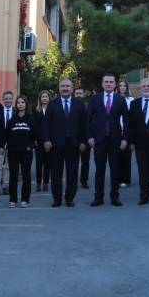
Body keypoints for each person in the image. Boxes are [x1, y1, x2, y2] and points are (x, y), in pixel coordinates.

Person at [43, 78, 88, 207]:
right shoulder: (52, 104)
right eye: (62, 86)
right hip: (56, 145)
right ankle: (57, 199)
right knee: (56, 173)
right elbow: (46, 125)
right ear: (59, 88)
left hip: (74, 145)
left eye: (67, 86)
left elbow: (84, 125)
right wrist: (46, 140)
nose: (65, 88)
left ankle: (69, 198)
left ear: (72, 88)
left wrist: (83, 141)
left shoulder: (79, 104)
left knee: (72, 174)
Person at [86, 73, 130, 206]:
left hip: (116, 140)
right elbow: (88, 120)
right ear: (102, 84)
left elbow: (127, 121)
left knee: (115, 170)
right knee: (99, 170)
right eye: (106, 82)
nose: (109, 84)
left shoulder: (120, 99)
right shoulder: (95, 99)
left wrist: (125, 139)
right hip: (99, 140)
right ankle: (98, 197)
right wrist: (89, 137)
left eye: (111, 82)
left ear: (115, 84)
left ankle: (115, 196)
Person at [6, 95, 36, 207]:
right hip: (13, 152)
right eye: (18, 102)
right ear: (16, 105)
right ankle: (12, 199)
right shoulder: (11, 120)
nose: (20, 104)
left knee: (26, 175)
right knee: (13, 175)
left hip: (27, 152)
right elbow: (7, 135)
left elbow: (34, 136)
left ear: (26, 104)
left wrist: (30, 146)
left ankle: (25, 199)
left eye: (23, 102)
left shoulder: (31, 120)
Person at [116, 79, 134, 188]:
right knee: (117, 156)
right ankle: (118, 178)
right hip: (116, 130)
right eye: (120, 86)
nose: (122, 87)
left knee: (127, 156)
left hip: (127, 130)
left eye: (124, 86)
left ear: (127, 88)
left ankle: (126, 179)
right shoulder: (114, 99)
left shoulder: (131, 100)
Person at [0, 90, 15, 196]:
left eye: (10, 98)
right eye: (6, 98)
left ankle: (6, 186)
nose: (8, 100)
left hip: (12, 143)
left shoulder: (16, 112)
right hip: (0, 143)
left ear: (12, 99)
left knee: (8, 166)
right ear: (3, 100)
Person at [35, 90, 52, 192]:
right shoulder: (36, 110)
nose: (44, 98)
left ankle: (46, 182)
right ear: (40, 99)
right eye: (42, 97)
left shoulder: (52, 110)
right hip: (39, 141)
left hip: (49, 141)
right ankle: (38, 183)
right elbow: (34, 126)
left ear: (49, 98)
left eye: (46, 97)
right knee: (39, 163)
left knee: (48, 163)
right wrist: (35, 140)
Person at [74, 87, 91, 189]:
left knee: (85, 161)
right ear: (74, 94)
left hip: (85, 138)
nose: (79, 95)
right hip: (73, 139)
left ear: (83, 95)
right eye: (77, 93)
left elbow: (90, 123)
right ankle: (73, 181)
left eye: (80, 93)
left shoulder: (88, 106)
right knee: (73, 162)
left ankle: (84, 181)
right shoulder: (70, 106)